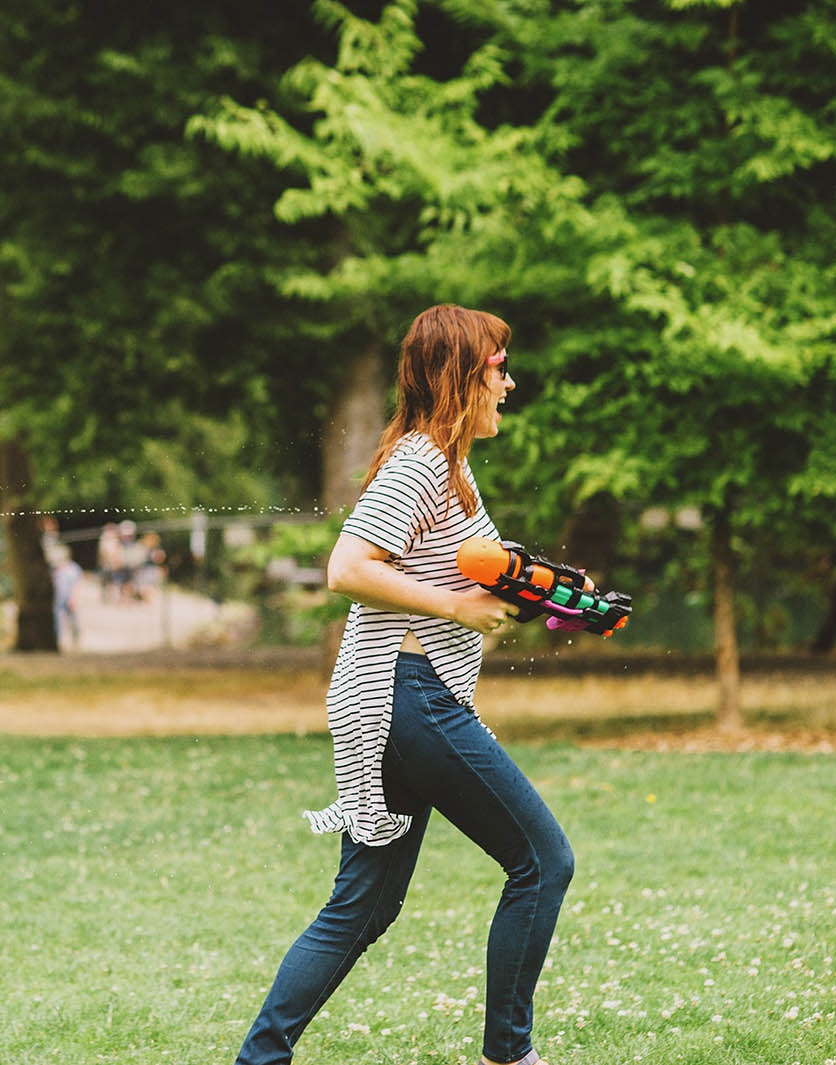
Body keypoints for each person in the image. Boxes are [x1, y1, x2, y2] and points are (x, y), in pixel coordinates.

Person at [233, 305, 572, 1065]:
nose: (510, 383)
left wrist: (548, 595)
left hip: (393, 697)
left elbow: (470, 566)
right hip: (405, 696)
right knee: (544, 860)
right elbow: (347, 567)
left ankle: (259, 1060)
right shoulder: (421, 460)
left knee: (364, 905)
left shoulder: (448, 467)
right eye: (498, 369)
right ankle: (510, 1056)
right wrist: (457, 606)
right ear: (463, 376)